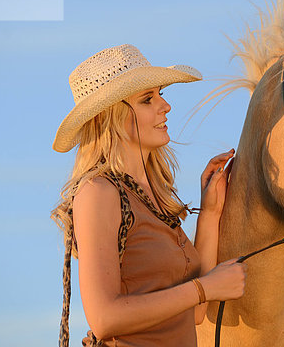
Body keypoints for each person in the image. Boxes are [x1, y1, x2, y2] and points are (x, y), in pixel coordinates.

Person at [51, 44, 246, 347]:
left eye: (161, 95)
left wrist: (210, 213)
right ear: (110, 117)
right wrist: (204, 288)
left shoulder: (152, 197)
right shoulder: (98, 192)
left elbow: (195, 313)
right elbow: (103, 320)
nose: (165, 106)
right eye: (147, 99)